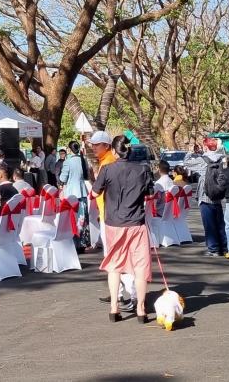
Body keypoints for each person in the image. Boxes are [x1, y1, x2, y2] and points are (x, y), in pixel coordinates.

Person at [91, 136, 154, 323]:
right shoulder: (142, 169)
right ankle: (141, 309)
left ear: (114, 151)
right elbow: (150, 195)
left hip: (114, 223)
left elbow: (94, 193)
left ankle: (114, 308)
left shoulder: (107, 169)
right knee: (140, 266)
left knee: (115, 265)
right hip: (136, 223)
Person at [190, 137, 228, 258]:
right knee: (220, 223)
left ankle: (213, 248)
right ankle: (225, 247)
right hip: (218, 195)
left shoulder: (202, 161)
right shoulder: (221, 160)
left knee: (209, 224)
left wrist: (190, 151)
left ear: (205, 147)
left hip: (205, 195)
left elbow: (186, 163)